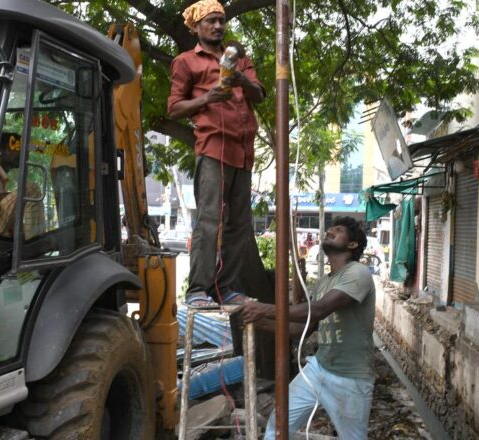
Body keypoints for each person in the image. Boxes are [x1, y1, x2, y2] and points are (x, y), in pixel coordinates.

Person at [236, 216, 376, 439]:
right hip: (319, 368)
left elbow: (318, 310)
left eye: (337, 230)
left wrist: (264, 309)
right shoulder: (324, 282)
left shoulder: (357, 274)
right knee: (278, 425)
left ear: (352, 245)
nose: (330, 231)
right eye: (330, 229)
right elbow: (302, 330)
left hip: (351, 378)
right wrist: (260, 322)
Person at [167, 0, 265, 307]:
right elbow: (173, 108)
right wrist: (208, 97)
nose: (218, 26)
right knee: (209, 220)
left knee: (239, 223)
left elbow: (259, 95)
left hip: (244, 152)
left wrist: (241, 79)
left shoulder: (239, 59)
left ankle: (226, 289)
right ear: (196, 27)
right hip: (212, 149)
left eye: (221, 20)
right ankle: (198, 289)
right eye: (211, 21)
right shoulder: (186, 62)